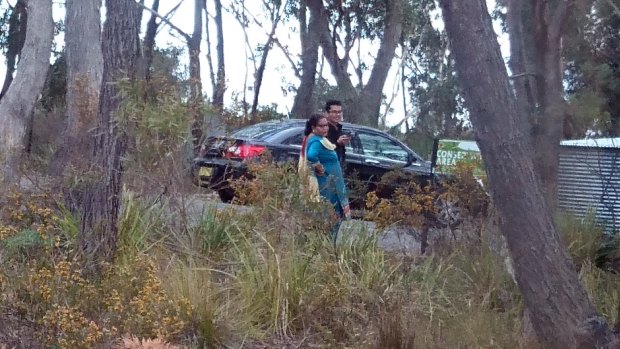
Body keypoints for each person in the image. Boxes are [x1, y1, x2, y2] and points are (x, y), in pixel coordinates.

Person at [300, 113, 351, 243]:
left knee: (333, 217)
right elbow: (311, 155)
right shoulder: (316, 140)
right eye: (321, 126)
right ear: (313, 127)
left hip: (332, 183)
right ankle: (327, 246)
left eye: (326, 125)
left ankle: (327, 246)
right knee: (330, 216)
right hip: (327, 185)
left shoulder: (323, 140)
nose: (325, 128)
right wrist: (318, 167)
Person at [324, 100, 351, 169]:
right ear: (327, 113)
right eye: (334, 112)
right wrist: (338, 143)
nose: (338, 114)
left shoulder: (339, 128)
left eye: (339, 112)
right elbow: (323, 150)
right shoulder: (323, 128)